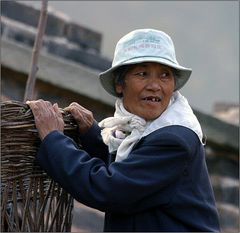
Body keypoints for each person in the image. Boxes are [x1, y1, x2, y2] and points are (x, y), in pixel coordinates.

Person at [27, 29, 220, 232]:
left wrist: (53, 139)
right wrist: (91, 135)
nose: (155, 86)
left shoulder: (174, 140)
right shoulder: (142, 130)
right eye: (142, 74)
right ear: (120, 84)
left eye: (165, 75)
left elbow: (108, 189)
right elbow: (129, 169)